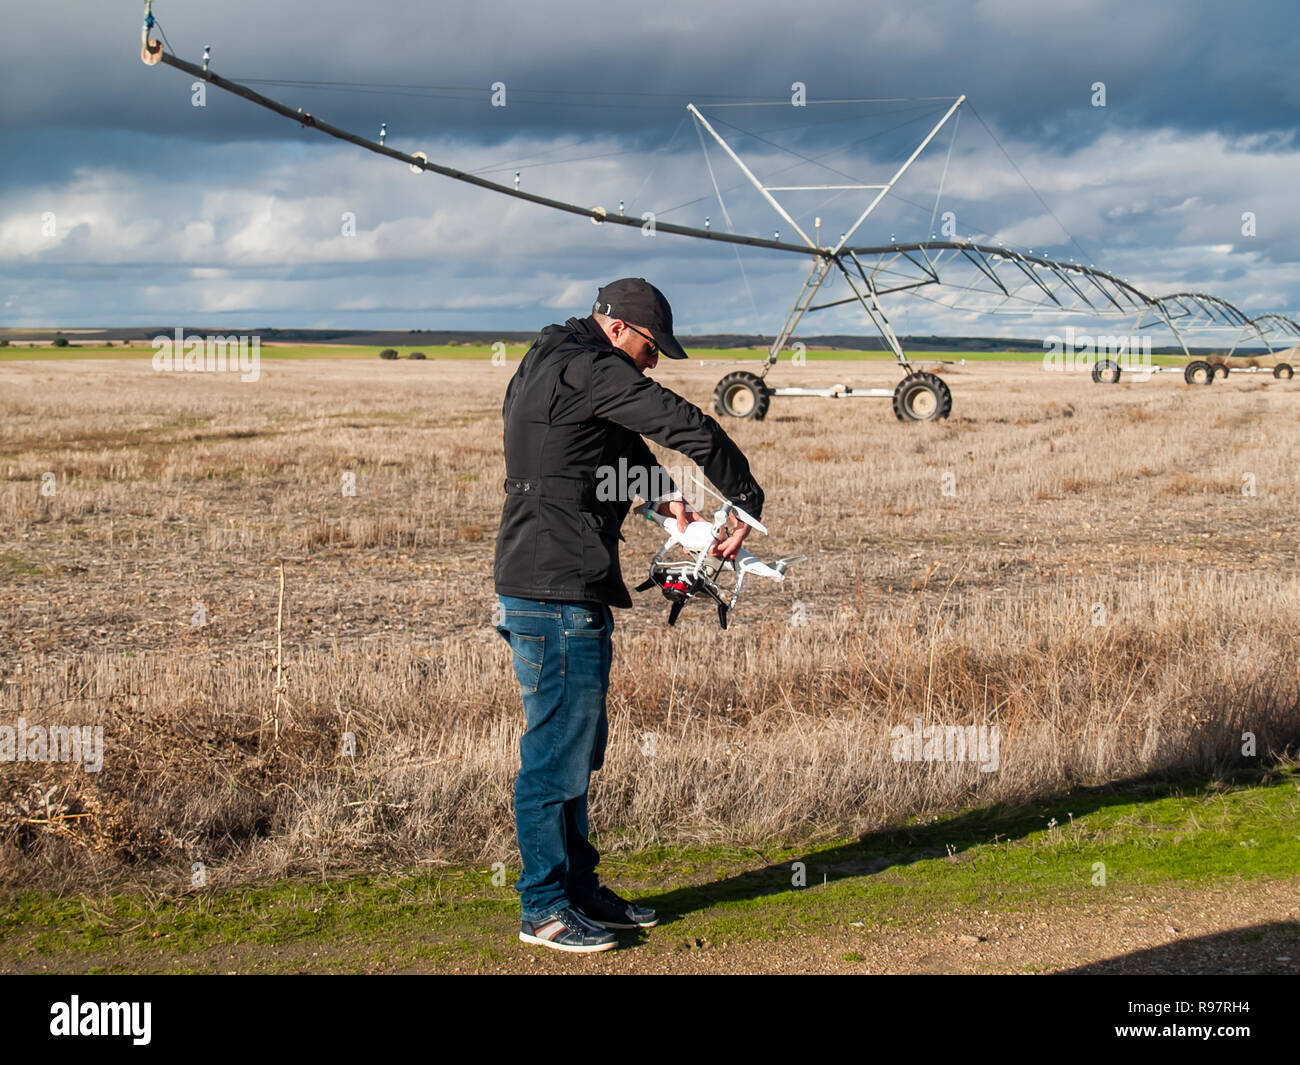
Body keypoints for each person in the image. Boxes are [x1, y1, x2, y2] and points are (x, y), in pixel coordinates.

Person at [493, 277, 765, 952]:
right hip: (557, 595)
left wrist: (664, 502)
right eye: (649, 348)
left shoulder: (548, 360)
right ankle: (545, 910)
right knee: (554, 757)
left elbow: (598, 444)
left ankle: (578, 890)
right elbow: (684, 423)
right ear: (617, 329)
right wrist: (745, 501)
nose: (651, 362)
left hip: (546, 585)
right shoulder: (591, 366)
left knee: (574, 753)